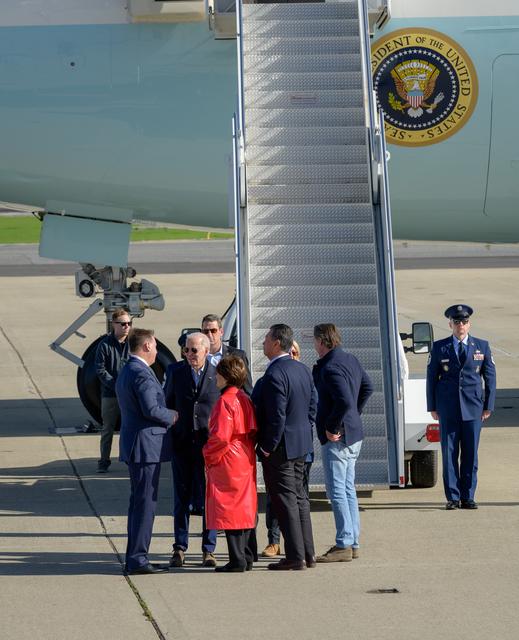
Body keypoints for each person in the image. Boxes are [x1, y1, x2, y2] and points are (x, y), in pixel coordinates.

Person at [253, 324, 316, 571]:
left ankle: (295, 557)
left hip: (281, 448)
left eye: (267, 338)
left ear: (277, 343)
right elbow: (313, 406)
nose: (263, 343)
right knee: (300, 499)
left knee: (286, 501)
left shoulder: (274, 374)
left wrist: (267, 446)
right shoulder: (302, 369)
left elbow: (276, 416)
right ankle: (307, 554)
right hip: (301, 443)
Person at [116, 328, 178, 575]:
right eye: (153, 345)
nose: (156, 350)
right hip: (144, 447)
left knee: (139, 503)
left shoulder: (129, 369)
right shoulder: (141, 373)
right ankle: (138, 559)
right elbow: (151, 409)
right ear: (145, 347)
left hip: (138, 445)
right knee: (145, 504)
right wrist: (172, 416)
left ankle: (136, 556)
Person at [312, 323, 373, 563]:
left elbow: (344, 401)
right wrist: (354, 415)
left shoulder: (330, 368)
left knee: (337, 490)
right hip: (353, 434)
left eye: (315, 341)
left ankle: (344, 543)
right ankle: (353, 541)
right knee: (348, 489)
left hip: (339, 438)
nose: (314, 345)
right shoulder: (350, 359)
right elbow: (367, 387)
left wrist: (332, 426)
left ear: (323, 341)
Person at [426, 304, 496, 510]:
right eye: (457, 322)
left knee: (470, 454)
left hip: (474, 409)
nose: (461, 326)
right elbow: (431, 379)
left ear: (469, 324)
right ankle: (453, 497)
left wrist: (488, 406)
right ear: (450, 324)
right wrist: (432, 406)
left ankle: (468, 496)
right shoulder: (440, 347)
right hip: (448, 409)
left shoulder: (481, 346)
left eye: (464, 322)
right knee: (449, 454)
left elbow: (490, 378)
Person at [163, 332, 220, 568]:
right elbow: (167, 403)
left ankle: (209, 549)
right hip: (182, 443)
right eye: (186, 350)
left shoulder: (217, 375)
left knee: (209, 497)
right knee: (181, 497)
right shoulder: (175, 372)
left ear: (206, 351)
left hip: (208, 445)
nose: (189, 354)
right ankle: (179, 547)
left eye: (194, 350)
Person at [203, 355, 258, 573]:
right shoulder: (244, 397)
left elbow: (220, 437)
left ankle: (237, 559)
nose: (215, 376)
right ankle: (245, 555)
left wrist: (207, 453)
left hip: (228, 457)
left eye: (218, 373)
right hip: (244, 455)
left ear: (226, 376)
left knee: (229, 507)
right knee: (244, 506)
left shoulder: (225, 401)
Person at [94, 308, 131, 473]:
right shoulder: (104, 345)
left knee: (129, 428)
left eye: (129, 323)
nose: (126, 327)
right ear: (113, 324)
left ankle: (129, 458)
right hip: (110, 395)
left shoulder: (134, 343)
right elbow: (100, 370)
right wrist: (116, 385)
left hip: (129, 395)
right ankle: (104, 461)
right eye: (122, 323)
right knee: (107, 429)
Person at [201, 313, 253, 393]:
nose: (209, 334)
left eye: (213, 331)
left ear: (221, 332)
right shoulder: (198, 356)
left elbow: (247, 388)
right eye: (206, 331)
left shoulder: (238, 355)